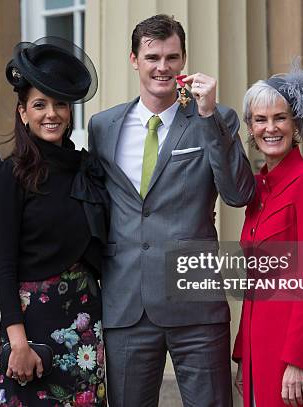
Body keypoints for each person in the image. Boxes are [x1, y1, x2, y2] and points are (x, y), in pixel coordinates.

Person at [87, 14, 255, 407]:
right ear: (134, 60)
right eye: (152, 57)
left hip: (195, 303)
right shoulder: (103, 127)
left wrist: (210, 117)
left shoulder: (215, 119)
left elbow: (238, 193)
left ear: (183, 62)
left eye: (172, 57)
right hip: (125, 303)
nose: (162, 67)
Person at [0, 37, 107, 406]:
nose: (51, 114)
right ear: (23, 112)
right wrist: (17, 342)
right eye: (39, 104)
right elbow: (2, 267)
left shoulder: (85, 168)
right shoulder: (9, 176)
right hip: (30, 326)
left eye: (60, 104)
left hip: (86, 322)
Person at [232, 61, 303, 407]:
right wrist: (241, 354)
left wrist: (299, 360)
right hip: (258, 349)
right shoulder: (258, 189)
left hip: (292, 352)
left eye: (280, 118)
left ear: (295, 125)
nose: (270, 128)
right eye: (260, 120)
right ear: (250, 128)